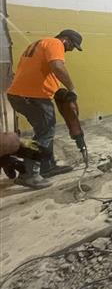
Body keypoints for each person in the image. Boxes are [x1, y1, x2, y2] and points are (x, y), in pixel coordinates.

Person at [7, 29, 83, 189]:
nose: (70, 50)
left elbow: (42, 72)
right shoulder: (55, 43)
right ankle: (29, 174)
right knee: (45, 132)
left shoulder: (40, 44)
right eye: (72, 46)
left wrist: (58, 90)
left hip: (22, 95)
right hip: (31, 96)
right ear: (66, 40)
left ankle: (46, 166)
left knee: (44, 130)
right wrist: (72, 88)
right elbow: (57, 66)